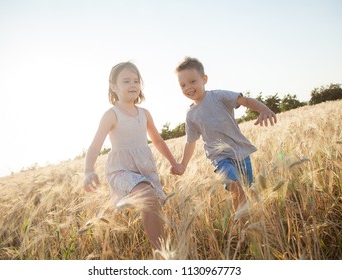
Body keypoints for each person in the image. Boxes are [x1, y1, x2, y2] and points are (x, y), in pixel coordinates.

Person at [84, 61, 184, 250]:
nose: (133, 85)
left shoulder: (144, 114)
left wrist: (174, 162)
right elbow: (96, 144)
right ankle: (159, 252)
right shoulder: (111, 115)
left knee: (152, 202)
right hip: (120, 170)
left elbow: (158, 141)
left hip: (144, 167)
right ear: (114, 87)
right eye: (126, 81)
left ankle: (161, 250)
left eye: (136, 81)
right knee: (147, 195)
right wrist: (88, 170)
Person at [172, 57, 277, 212]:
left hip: (240, 152)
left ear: (204, 79)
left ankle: (254, 219)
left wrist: (264, 109)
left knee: (248, 188)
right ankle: (244, 224)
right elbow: (191, 142)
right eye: (183, 85)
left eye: (192, 81)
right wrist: (183, 165)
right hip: (219, 157)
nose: (188, 87)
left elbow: (245, 101)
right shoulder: (190, 115)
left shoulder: (219, 96)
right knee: (236, 188)